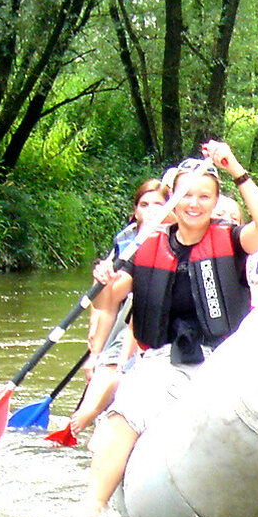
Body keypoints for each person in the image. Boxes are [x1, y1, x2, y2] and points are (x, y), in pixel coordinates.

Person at [62, 141, 258, 517]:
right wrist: (104, 280)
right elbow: (111, 299)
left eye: (204, 197)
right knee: (125, 414)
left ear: (215, 203)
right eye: (187, 195)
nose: (194, 204)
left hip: (223, 359)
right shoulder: (146, 248)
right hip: (164, 361)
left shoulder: (230, 240)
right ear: (173, 201)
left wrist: (237, 171)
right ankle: (88, 513)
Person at [61, 180, 171, 439]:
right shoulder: (126, 240)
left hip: (142, 317)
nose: (151, 211)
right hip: (121, 314)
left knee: (116, 368)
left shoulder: (174, 238)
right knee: (103, 363)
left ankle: (89, 418)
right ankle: (84, 423)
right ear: (135, 211)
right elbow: (104, 294)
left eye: (159, 204)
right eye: (145, 205)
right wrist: (93, 336)